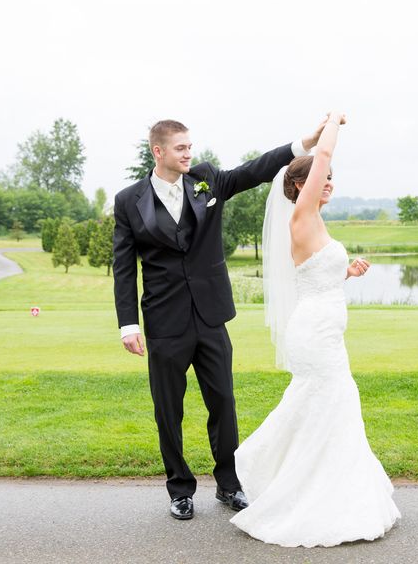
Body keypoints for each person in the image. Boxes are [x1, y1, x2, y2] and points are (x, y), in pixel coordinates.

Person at [113, 118, 328, 520]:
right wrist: (129, 324)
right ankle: (179, 489)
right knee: (168, 410)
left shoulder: (206, 179)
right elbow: (124, 267)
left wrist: (304, 144)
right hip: (163, 320)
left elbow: (253, 171)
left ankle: (229, 484)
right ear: (158, 152)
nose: (188, 153)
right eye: (180, 148)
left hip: (210, 316)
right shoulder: (128, 201)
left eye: (189, 146)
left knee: (223, 402)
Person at [230, 112, 401, 547]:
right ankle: (287, 484)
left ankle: (316, 485)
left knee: (325, 406)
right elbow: (321, 153)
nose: (328, 181)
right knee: (333, 400)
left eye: (330, 178)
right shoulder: (301, 215)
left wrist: (348, 272)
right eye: (321, 178)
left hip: (324, 328)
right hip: (315, 334)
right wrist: (334, 121)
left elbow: (316, 276)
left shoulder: (316, 223)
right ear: (301, 187)